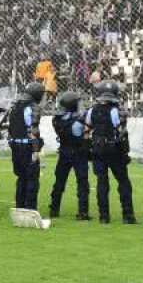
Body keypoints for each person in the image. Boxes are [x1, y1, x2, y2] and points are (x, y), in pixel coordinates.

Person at [84, 80, 135, 224]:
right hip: (114, 149)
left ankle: (104, 216)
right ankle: (128, 215)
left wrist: (88, 148)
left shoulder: (92, 110)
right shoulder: (116, 110)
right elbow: (122, 133)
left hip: (97, 149)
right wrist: (125, 152)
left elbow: (86, 131)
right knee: (123, 181)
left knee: (102, 182)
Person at [49, 91, 92, 220]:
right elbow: (84, 128)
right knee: (82, 182)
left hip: (63, 151)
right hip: (78, 152)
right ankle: (83, 212)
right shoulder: (79, 120)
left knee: (59, 181)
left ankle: (54, 209)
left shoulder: (57, 119)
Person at [7, 82, 46, 210]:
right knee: (32, 178)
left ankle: (20, 206)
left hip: (15, 145)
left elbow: (10, 128)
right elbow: (33, 131)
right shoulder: (33, 107)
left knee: (21, 177)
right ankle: (30, 207)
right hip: (27, 147)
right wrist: (36, 151)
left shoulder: (15, 106)